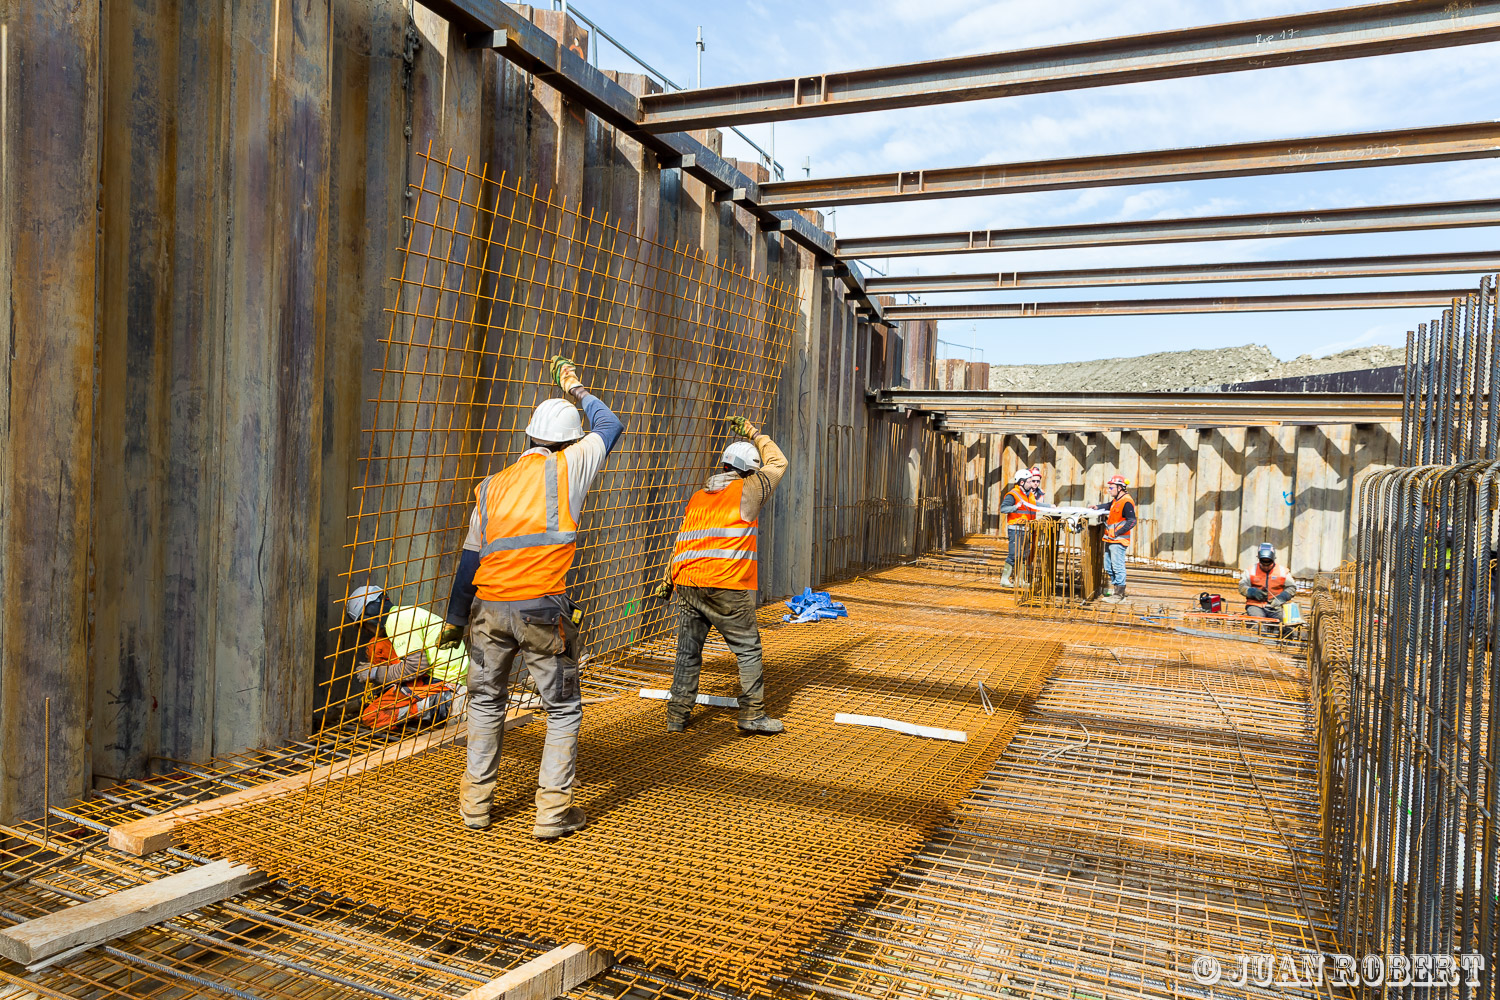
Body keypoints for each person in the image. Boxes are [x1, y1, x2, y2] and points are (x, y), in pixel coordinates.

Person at [437, 355, 623, 838]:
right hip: (542, 608)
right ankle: (552, 813)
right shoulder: (572, 464)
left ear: (528, 438)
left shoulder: (491, 486)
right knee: (561, 709)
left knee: (484, 704)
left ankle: (475, 806)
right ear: (568, 441)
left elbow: (470, 558)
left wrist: (455, 619)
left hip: (488, 610)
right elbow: (610, 424)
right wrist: (574, 386)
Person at [655, 415, 787, 735]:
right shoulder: (750, 488)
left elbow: (683, 538)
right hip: (726, 584)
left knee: (688, 653)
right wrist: (754, 433)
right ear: (746, 470)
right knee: (748, 649)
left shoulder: (699, 496)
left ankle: (677, 717)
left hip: (687, 581)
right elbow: (778, 462)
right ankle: (752, 715)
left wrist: (667, 578)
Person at [345, 585, 470, 731]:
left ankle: (445, 704)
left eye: (364, 625)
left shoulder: (398, 621)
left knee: (372, 716)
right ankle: (396, 697)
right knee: (377, 645)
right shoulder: (402, 615)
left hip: (444, 681)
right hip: (437, 673)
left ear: (370, 615)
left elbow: (416, 667)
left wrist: (374, 673)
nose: (366, 630)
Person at [1094, 474, 1135, 602]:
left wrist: (1117, 533)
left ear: (1120, 488)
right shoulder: (1116, 500)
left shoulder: (1126, 501)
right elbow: (1108, 505)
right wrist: (1097, 507)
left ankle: (1119, 594)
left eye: (1111, 488)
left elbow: (1132, 521)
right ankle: (1116, 589)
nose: (1109, 490)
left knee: (1117, 566)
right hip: (1110, 539)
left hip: (1118, 540)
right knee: (1108, 566)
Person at [1239, 542, 1298, 626]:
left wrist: (1282, 597)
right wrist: (1252, 592)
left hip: (1275, 606)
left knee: (1285, 626)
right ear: (1259, 559)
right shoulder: (1250, 570)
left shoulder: (1282, 571)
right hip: (1255, 605)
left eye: (1269, 562)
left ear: (1273, 559)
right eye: (1263, 562)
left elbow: (1292, 587)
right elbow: (1242, 586)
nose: (1266, 566)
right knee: (1258, 625)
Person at [999, 468, 1036, 587]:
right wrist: (1015, 506)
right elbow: (1003, 509)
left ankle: (1020, 580)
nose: (1032, 484)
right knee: (1014, 554)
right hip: (1015, 529)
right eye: (1029, 481)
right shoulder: (1013, 494)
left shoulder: (1029, 495)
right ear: (1022, 482)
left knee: (1024, 555)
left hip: (1026, 529)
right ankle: (1004, 580)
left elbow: (1035, 506)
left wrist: (1049, 506)